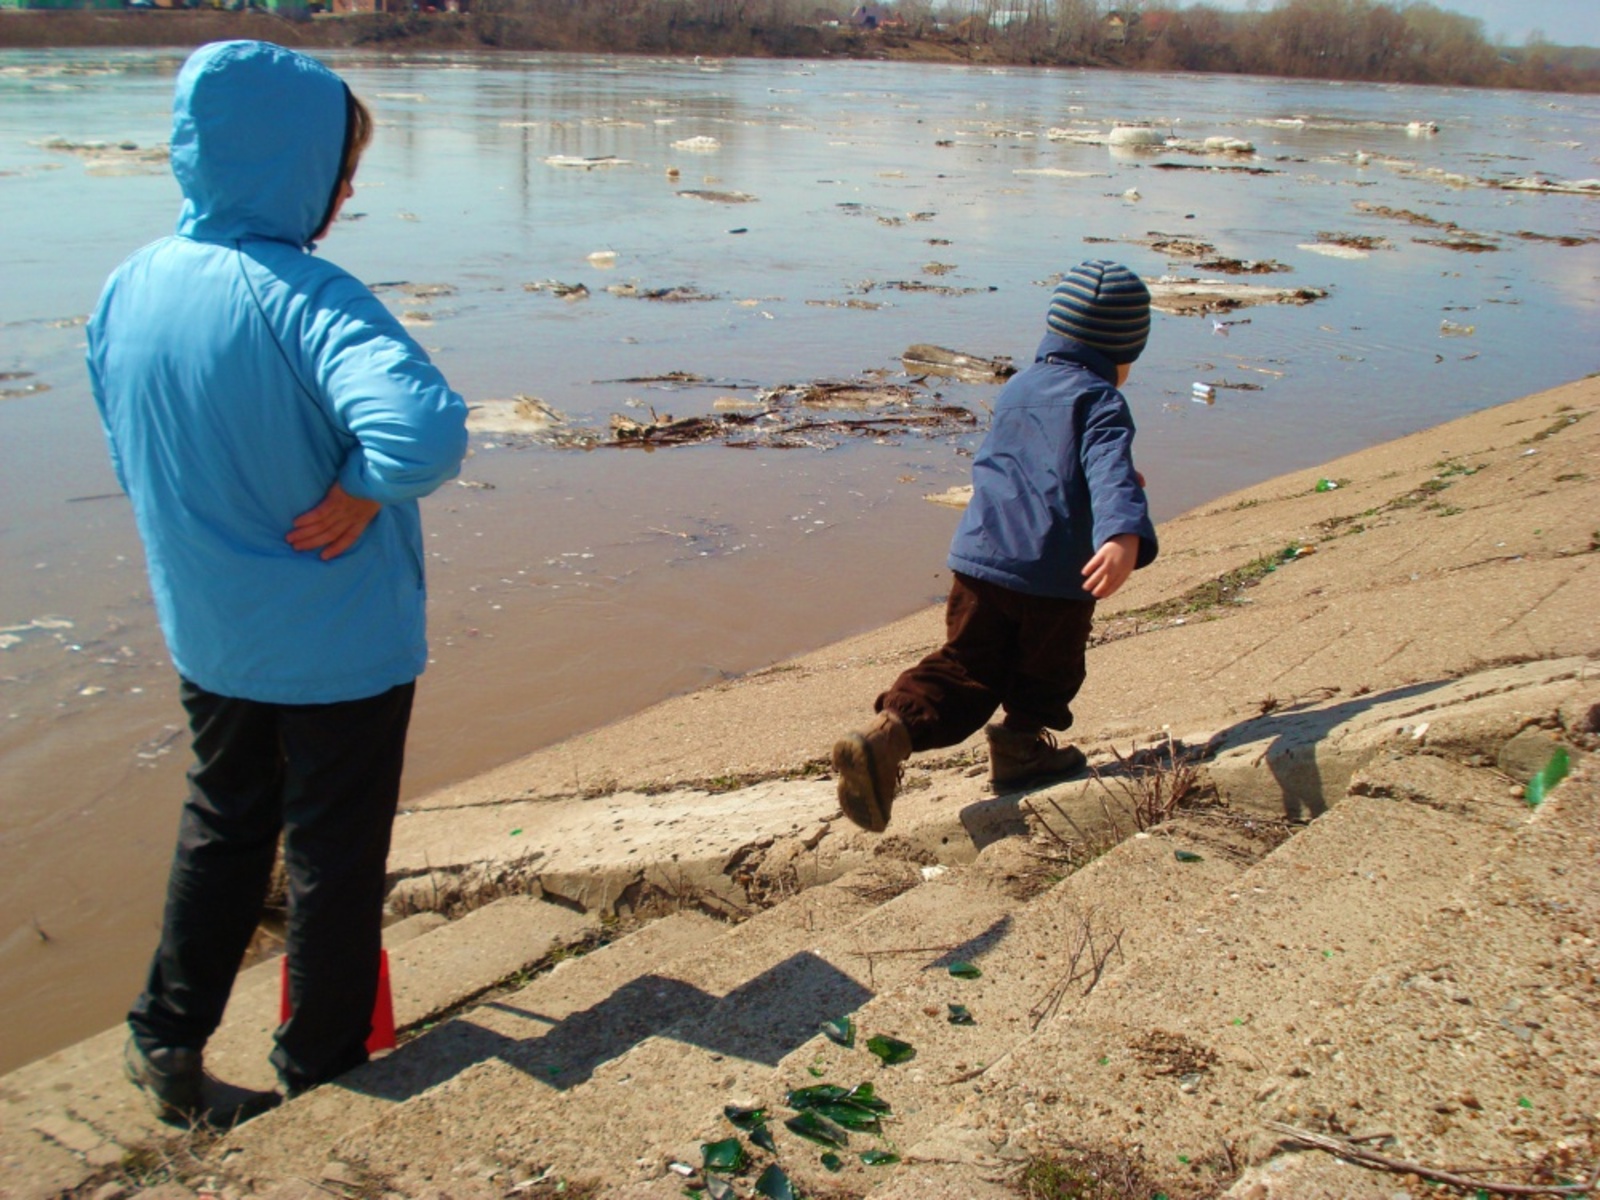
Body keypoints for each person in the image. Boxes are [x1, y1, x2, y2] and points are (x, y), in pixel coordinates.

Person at [87, 41, 469, 1124]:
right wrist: (362, 487)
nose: (344, 196)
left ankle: (164, 1036)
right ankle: (323, 1071)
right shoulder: (307, 294)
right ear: (301, 171)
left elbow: (127, 440)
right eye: (340, 173)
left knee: (222, 825)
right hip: (336, 640)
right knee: (335, 859)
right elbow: (426, 433)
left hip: (212, 628)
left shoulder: (133, 284)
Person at [831, 260, 1159, 833]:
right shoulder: (1101, 399)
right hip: (1055, 572)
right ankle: (1021, 748)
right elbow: (1105, 468)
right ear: (1122, 352)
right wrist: (1121, 530)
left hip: (981, 558)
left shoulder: (1018, 388)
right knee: (1047, 670)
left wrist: (1113, 494)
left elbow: (1028, 466)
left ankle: (888, 734)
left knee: (965, 665)